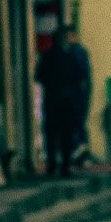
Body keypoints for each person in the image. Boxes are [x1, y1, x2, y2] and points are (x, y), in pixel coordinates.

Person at [35, 26, 91, 178]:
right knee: (66, 134)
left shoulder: (47, 56)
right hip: (68, 102)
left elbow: (39, 76)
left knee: (51, 134)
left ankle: (52, 164)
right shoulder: (72, 56)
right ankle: (65, 165)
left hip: (52, 101)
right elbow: (81, 77)